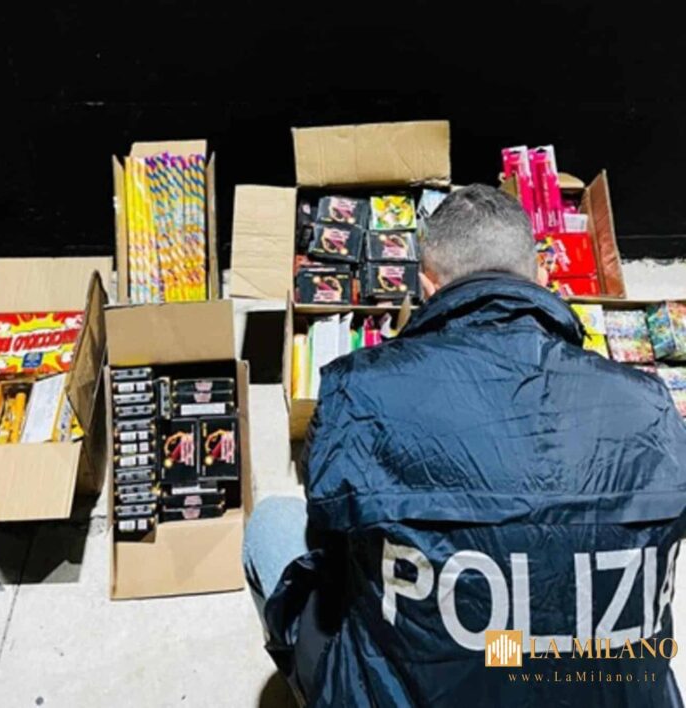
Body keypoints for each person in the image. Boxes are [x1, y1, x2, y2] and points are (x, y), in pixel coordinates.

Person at [243, 184, 686, 707]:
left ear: (427, 287)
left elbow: (328, 535)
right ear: (542, 278)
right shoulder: (650, 404)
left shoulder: (359, 391)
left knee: (272, 524)